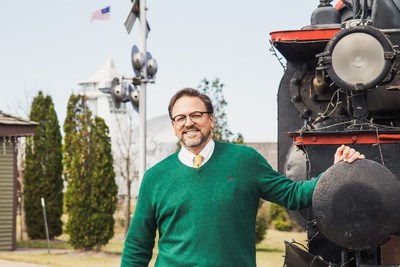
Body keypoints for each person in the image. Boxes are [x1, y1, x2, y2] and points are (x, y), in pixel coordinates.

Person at [121, 88, 365, 267]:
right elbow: (137, 246)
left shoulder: (244, 160)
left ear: (211, 119)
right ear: (174, 126)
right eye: (180, 118)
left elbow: (293, 195)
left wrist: (336, 172)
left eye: (196, 114)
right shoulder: (155, 177)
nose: (189, 123)